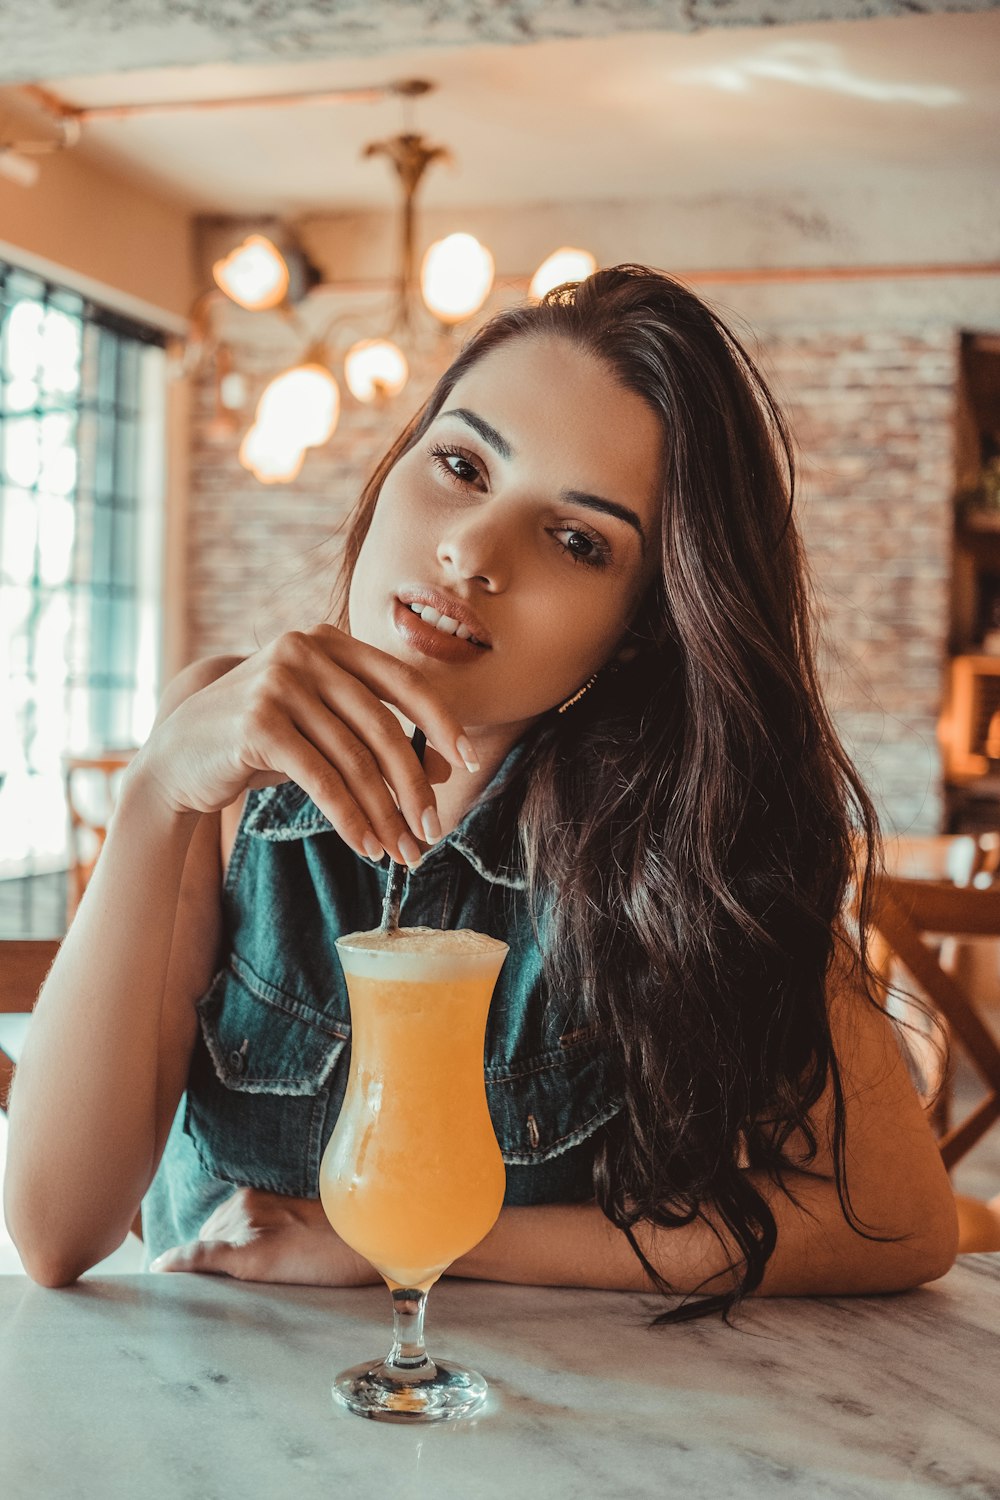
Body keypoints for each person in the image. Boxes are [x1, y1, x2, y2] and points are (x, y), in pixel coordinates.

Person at [5, 265, 958, 1322]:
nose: (471, 551)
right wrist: (154, 795)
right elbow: (53, 1234)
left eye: (575, 539)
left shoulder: (687, 836)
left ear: (640, 623)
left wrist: (412, 1241)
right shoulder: (214, 759)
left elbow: (900, 1220)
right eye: (460, 464)